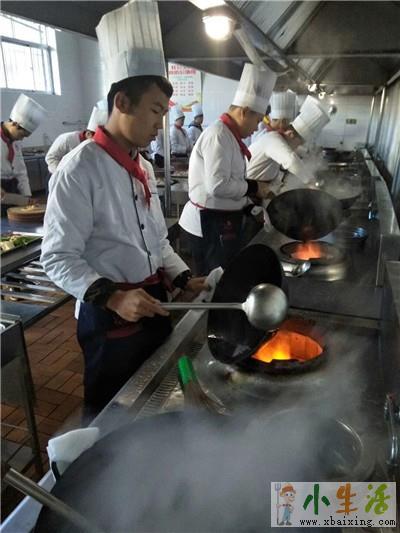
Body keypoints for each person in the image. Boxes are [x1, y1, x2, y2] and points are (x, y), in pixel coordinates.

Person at [41, 0, 207, 420]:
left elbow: (156, 239)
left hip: (153, 302)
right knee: (110, 413)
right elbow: (57, 257)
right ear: (122, 102)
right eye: (155, 111)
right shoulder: (79, 169)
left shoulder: (142, 167)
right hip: (109, 315)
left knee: (153, 399)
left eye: (164, 114)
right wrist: (114, 297)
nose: (160, 124)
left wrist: (181, 277)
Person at [178, 63, 278, 276]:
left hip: (222, 221)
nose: (256, 128)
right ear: (244, 112)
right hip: (207, 224)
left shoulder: (230, 137)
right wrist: (254, 187)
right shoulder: (219, 135)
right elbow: (218, 186)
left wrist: (249, 207)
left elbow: (232, 181)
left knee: (224, 278)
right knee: (212, 282)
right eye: (256, 120)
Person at [247, 95, 331, 194]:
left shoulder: (277, 140)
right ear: (291, 134)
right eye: (299, 143)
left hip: (257, 191)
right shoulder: (272, 139)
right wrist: (311, 182)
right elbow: (291, 161)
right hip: (248, 191)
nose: (297, 147)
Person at [1, 94, 47, 205]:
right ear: (15, 124)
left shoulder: (15, 141)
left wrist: (27, 197)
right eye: (22, 135)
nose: (21, 139)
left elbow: (21, 171)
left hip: (12, 189)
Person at [45, 101, 108, 174]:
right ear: (88, 133)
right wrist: (60, 174)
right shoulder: (66, 139)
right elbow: (50, 158)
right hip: (58, 176)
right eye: (96, 138)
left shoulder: (94, 147)